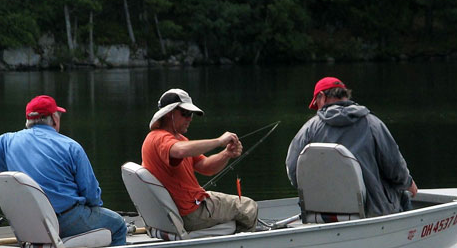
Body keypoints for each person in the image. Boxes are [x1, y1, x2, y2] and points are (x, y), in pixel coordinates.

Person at [0, 95, 127, 246]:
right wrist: (94, 210)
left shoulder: (7, 142)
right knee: (117, 224)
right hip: (65, 220)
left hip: (27, 225)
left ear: (27, 120)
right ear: (54, 120)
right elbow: (91, 195)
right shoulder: (71, 146)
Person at [285, 77, 418, 217]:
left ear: (321, 97)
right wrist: (408, 183)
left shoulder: (308, 129)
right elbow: (394, 166)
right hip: (373, 212)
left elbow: (294, 171)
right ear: (345, 95)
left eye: (316, 104)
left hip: (322, 214)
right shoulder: (372, 123)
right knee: (402, 193)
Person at [141, 88, 259, 233]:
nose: (189, 118)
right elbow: (180, 151)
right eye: (185, 113)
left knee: (237, 207)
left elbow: (206, 167)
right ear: (169, 114)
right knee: (249, 207)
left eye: (191, 114)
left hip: (190, 207)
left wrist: (226, 153)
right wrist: (219, 141)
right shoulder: (159, 138)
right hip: (190, 213)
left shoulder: (178, 139)